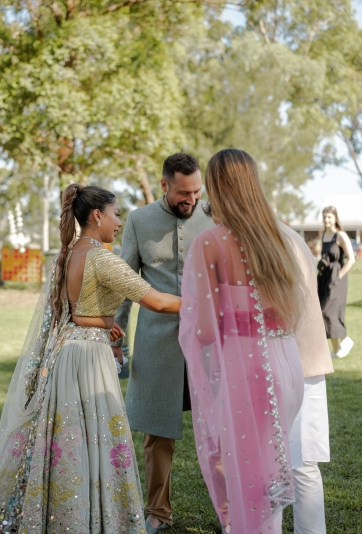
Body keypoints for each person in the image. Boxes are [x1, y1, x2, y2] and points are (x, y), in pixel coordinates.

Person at [0, 184, 182, 534]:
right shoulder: (102, 258)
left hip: (66, 354)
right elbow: (158, 302)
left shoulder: (69, 253)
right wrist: (206, 302)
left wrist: (105, 323)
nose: (119, 222)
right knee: (93, 437)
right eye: (116, 214)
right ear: (97, 215)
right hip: (89, 361)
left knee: (66, 439)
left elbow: (73, 314)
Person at [179, 149, 305, 534]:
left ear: (216, 187)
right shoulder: (279, 239)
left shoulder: (210, 243)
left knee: (247, 474)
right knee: (270, 468)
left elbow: (204, 330)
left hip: (246, 366)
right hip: (285, 362)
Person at [115, 153, 212, 533]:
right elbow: (125, 283)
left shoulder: (215, 214)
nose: (192, 199)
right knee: (157, 434)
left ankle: (231, 510)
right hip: (157, 344)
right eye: (183, 192)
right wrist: (116, 336)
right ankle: (158, 512)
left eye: (196, 191)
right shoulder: (138, 220)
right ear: (164, 185)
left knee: (220, 429)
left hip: (209, 345)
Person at [282, 225, 333, 534]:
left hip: (288, 360)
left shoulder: (263, 237)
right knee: (304, 463)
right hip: (306, 358)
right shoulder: (290, 235)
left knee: (293, 463)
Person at [317, 206, 355, 358]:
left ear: (335, 218)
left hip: (337, 278)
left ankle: (346, 340)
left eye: (329, 217)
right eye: (324, 217)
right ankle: (335, 350)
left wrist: (338, 275)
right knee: (323, 311)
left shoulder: (340, 235)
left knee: (328, 311)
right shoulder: (324, 235)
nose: (326, 220)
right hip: (324, 278)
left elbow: (351, 259)